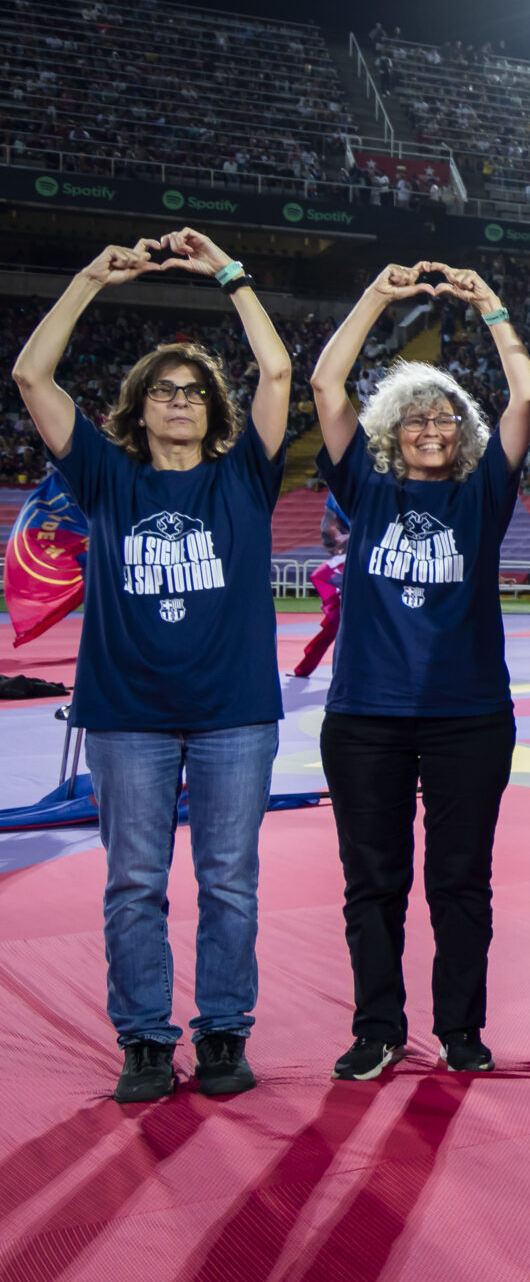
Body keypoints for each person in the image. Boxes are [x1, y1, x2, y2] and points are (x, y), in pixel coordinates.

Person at [12, 229, 291, 1103]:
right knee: (133, 880)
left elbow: (278, 374)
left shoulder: (247, 477)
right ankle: (142, 1037)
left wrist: (229, 274)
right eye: (164, 389)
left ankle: (222, 1031)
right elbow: (30, 376)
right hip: (127, 712)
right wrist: (92, 275)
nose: (179, 399)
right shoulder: (106, 476)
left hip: (234, 713)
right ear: (139, 406)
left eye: (195, 389)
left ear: (214, 408)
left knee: (228, 881)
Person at [308, 262, 530, 1079]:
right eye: (414, 418)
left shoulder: (484, 494)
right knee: (372, 883)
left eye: (444, 416)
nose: (431, 427)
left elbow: (527, 399)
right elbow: (327, 380)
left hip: (468, 715)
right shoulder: (363, 487)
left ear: (462, 428)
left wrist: (494, 308)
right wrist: (378, 293)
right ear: (389, 430)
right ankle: (377, 1027)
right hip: (365, 715)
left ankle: (460, 1028)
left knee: (459, 882)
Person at [291, 503, 350, 680]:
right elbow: (320, 575)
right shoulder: (340, 560)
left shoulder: (354, 553)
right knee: (329, 636)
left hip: (352, 606)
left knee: (333, 637)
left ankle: (306, 670)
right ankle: (304, 669)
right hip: (344, 606)